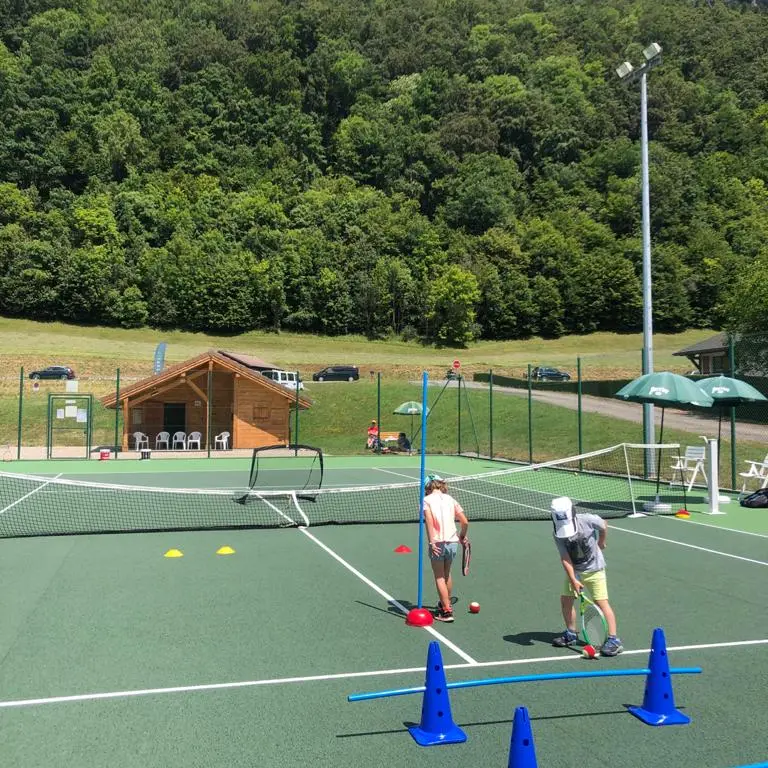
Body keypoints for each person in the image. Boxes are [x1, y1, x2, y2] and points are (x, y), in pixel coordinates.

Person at [550, 496, 623, 657]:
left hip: (595, 570)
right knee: (566, 600)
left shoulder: (588, 520)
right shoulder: (557, 533)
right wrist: (573, 579)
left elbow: (603, 525)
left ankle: (613, 640)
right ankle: (571, 634)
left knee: (601, 603)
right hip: (575, 572)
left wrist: (602, 542)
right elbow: (565, 558)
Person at [423, 474, 469, 623]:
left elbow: (429, 522)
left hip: (438, 542)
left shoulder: (426, 501)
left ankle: (446, 611)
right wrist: (462, 536)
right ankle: (445, 604)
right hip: (452, 542)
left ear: (428, 487)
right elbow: (465, 522)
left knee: (439, 576)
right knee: (447, 574)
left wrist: (432, 542)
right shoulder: (450, 499)